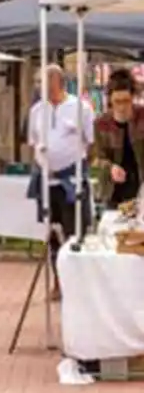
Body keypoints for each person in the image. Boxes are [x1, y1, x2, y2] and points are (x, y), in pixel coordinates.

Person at [27, 63, 95, 297]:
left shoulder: (81, 108)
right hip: (47, 181)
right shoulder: (37, 111)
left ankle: (77, 284)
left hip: (71, 180)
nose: (40, 87)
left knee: (74, 232)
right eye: (38, 83)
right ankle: (58, 282)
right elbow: (33, 142)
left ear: (58, 82)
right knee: (52, 233)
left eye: (43, 82)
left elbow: (91, 143)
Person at [95, 68, 144, 209]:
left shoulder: (142, 117)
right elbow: (96, 158)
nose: (122, 107)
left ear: (133, 97)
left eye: (126, 101)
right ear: (110, 99)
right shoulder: (101, 124)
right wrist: (110, 168)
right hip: (113, 191)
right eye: (117, 101)